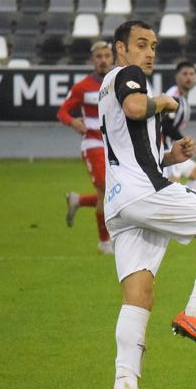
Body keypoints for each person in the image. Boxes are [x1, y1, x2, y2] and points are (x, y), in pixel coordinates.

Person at [99, 20, 196, 389]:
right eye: (141, 44)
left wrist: (171, 157)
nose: (149, 52)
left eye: (153, 46)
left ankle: (124, 386)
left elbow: (131, 147)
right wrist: (163, 101)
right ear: (121, 49)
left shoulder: (112, 83)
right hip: (143, 191)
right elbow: (135, 106)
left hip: (119, 201)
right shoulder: (128, 77)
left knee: (139, 294)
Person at [58, 41, 114, 254]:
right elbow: (63, 111)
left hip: (114, 145)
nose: (103, 60)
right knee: (105, 190)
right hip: (93, 143)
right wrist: (73, 121)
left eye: (107, 56)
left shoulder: (118, 83)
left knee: (113, 192)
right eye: (99, 56)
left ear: (112, 58)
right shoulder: (82, 87)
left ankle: (78, 200)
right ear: (93, 60)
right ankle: (104, 243)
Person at [161, 60, 196, 192]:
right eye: (185, 74)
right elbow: (165, 126)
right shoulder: (173, 98)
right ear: (177, 77)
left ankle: (186, 205)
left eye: (191, 74)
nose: (189, 77)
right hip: (166, 150)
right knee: (172, 193)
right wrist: (186, 144)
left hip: (173, 148)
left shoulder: (182, 98)